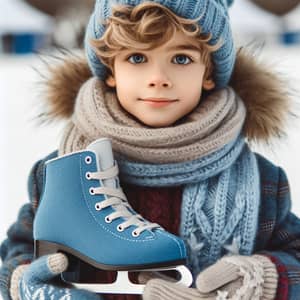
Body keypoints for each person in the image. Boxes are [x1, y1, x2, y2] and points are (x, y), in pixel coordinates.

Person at [1, 0, 300, 299]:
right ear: (110, 69)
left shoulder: (261, 180)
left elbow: (295, 254)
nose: (158, 79)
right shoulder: (64, 174)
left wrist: (263, 277)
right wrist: (25, 282)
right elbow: (18, 250)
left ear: (208, 72)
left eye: (181, 59)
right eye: (136, 58)